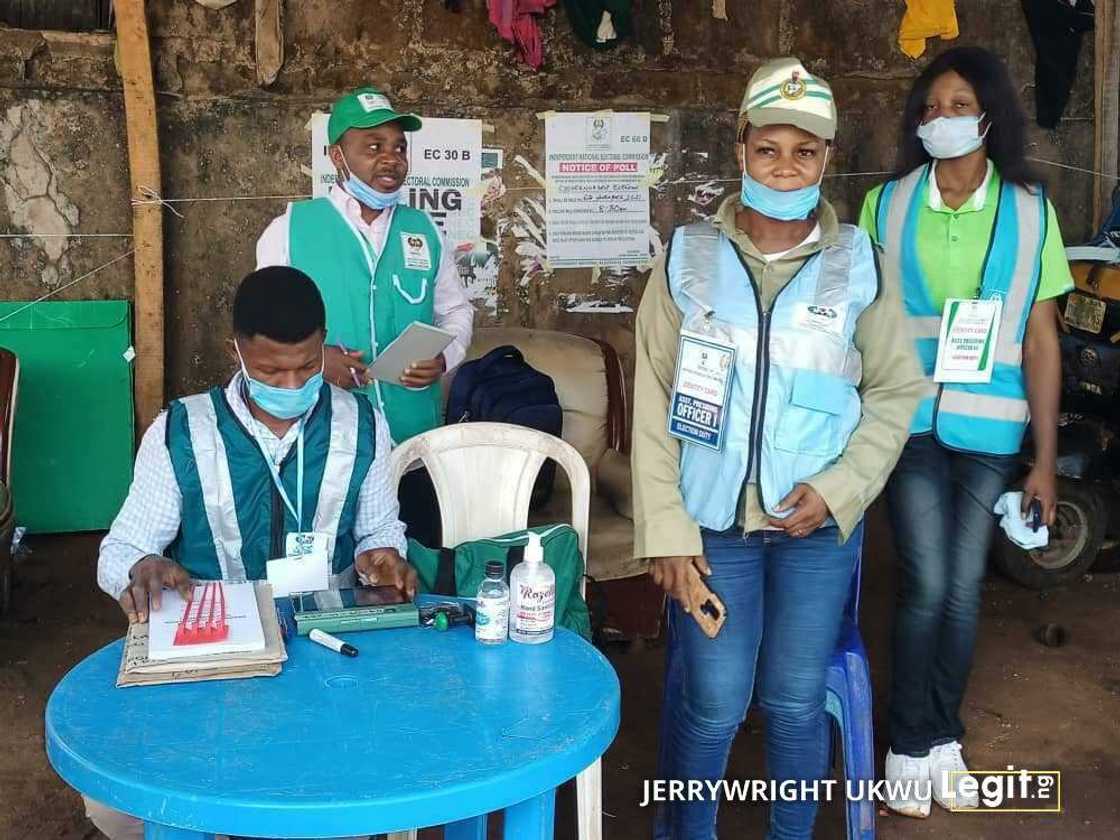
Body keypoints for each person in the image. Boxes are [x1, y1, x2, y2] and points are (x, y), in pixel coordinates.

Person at [632, 57, 925, 839]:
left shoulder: (859, 264)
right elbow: (653, 397)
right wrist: (666, 530)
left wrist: (840, 489)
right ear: (741, 149)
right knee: (714, 701)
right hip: (713, 529)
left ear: (828, 159)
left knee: (796, 702)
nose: (786, 167)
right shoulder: (687, 256)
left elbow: (896, 392)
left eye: (806, 151)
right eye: (769, 149)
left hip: (817, 531)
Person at [88, 267, 413, 840]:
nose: (290, 387)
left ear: (323, 347)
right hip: (216, 659)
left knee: (343, 794)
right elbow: (121, 549)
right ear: (235, 351)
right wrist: (142, 567)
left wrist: (383, 553)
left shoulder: (362, 424)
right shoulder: (182, 433)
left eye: (308, 368)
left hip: (328, 648)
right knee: (127, 804)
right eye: (270, 370)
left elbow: (379, 528)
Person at [859, 46, 1073, 818]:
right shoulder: (885, 206)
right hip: (906, 418)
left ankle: (941, 738)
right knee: (926, 583)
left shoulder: (1028, 210)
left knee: (960, 591)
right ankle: (907, 745)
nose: (941, 119)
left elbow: (1042, 337)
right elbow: (858, 319)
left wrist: (1044, 462)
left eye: (958, 106)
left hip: (990, 427)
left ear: (988, 117)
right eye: (930, 107)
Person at [256, 86, 475, 548]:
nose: (391, 159)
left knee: (412, 564)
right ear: (338, 155)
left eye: (398, 147)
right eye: (373, 147)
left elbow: (455, 312)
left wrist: (443, 358)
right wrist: (317, 361)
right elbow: (263, 326)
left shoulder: (424, 232)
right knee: (329, 568)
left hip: (412, 440)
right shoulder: (291, 229)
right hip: (326, 438)